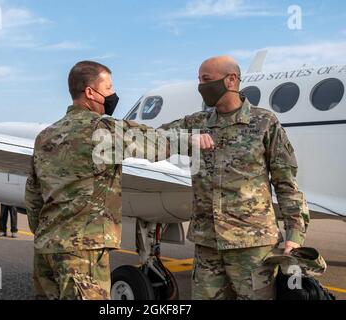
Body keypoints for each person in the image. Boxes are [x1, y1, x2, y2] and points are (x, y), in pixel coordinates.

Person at [160, 55, 310, 300]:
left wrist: (295, 234)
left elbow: (286, 182)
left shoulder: (264, 122)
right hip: (208, 244)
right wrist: (185, 139)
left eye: (206, 79)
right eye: (198, 80)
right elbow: (152, 138)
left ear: (231, 80)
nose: (200, 86)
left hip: (253, 246)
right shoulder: (195, 123)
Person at [25, 61, 173, 300]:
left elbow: (33, 195)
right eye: (109, 88)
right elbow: (157, 146)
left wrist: (48, 233)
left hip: (46, 248)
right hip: (83, 250)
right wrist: (194, 141)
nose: (113, 95)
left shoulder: (45, 136)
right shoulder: (102, 130)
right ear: (90, 93)